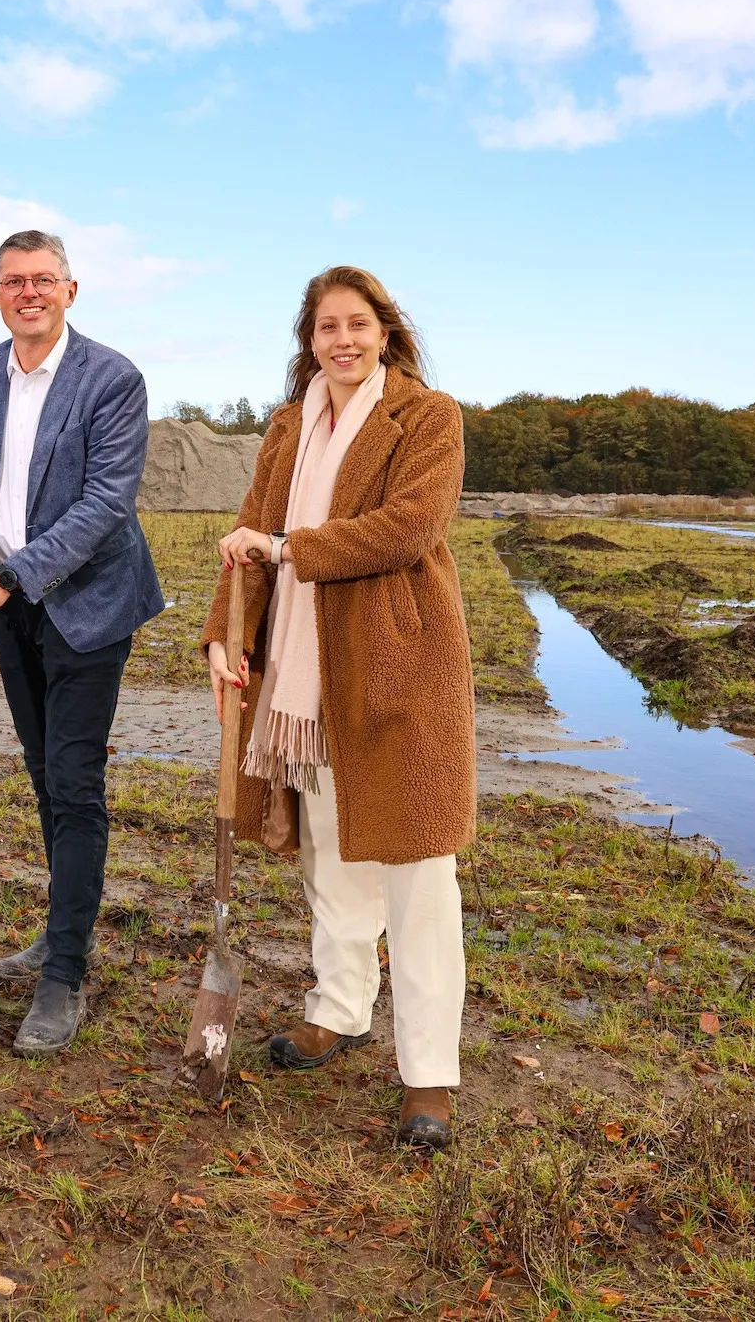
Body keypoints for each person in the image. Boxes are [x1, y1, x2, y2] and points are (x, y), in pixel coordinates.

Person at [202, 265, 474, 1148]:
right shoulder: (289, 423)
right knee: (328, 852)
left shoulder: (428, 418)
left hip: (397, 669)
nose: (342, 341)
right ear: (308, 339)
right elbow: (247, 533)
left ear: (386, 331)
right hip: (297, 673)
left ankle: (428, 1074)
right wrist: (224, 636)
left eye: (358, 324)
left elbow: (409, 528)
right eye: (326, 328)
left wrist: (285, 546)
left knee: (418, 874)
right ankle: (341, 1008)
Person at [0, 230, 166, 1058]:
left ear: (71, 289)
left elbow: (103, 507)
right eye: (14, 281)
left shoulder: (112, 378)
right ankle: (63, 925)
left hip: (88, 604)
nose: (29, 293)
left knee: (74, 779)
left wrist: (8, 578)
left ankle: (65, 970)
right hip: (14, 606)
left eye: (44, 280)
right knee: (40, 771)